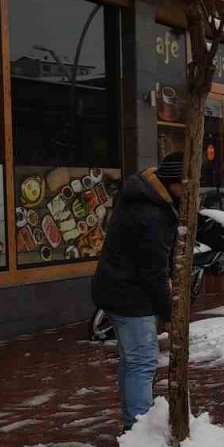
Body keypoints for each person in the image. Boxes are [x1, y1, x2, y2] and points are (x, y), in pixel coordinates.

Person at [92, 154, 183, 431]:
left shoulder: (146, 194)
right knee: (142, 361)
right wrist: (169, 314)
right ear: (175, 182)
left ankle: (132, 423)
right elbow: (153, 271)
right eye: (188, 185)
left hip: (115, 288)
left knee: (132, 360)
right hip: (129, 294)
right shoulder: (153, 215)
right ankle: (138, 428)